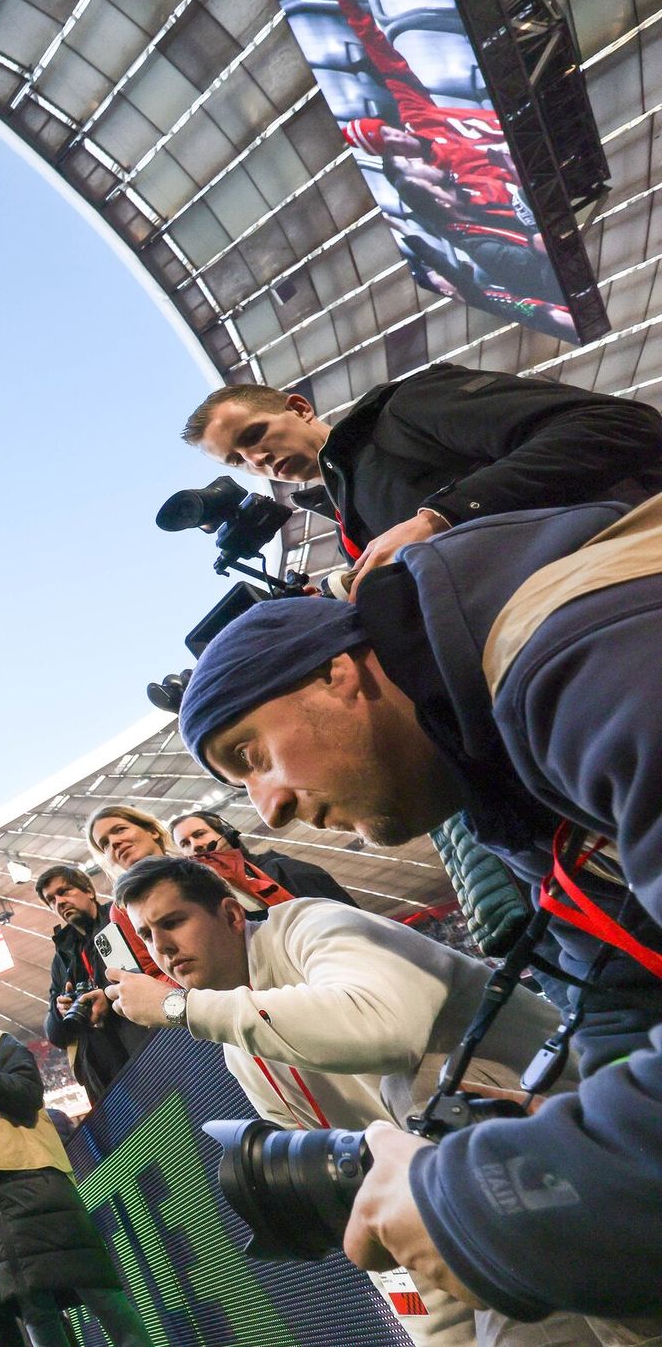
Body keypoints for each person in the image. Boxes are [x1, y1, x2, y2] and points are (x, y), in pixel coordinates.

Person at [172, 497, 662, 1332]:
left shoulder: (574, 660)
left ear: (339, 671)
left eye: (252, 757)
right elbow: (623, 1003)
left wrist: (484, 1198)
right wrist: (564, 1127)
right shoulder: (507, 798)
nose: (273, 808)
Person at [107, 856, 595, 1347]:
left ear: (233, 916)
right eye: (147, 935)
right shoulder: (237, 1043)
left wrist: (178, 1005)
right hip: (443, 1197)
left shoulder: (310, 923)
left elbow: (381, 1030)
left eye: (173, 922)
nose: (163, 947)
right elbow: (360, 1180)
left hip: (559, 1152)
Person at [178, 366, 662, 591]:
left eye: (255, 434)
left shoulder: (402, 410)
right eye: (238, 461)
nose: (256, 458)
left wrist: (439, 518)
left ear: (300, 408)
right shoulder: (351, 519)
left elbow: (617, 426)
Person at [0, 987, 150, 1347]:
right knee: (34, 1313)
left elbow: (27, 1095)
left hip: (34, 1184)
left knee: (99, 1293)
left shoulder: (0, 1044)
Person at [36, 864, 155, 1107]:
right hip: (107, 1080)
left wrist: (108, 999)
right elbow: (56, 1035)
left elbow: (154, 974)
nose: (59, 901)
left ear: (89, 891)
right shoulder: (62, 957)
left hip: (151, 1054)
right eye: (51, 899)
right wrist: (61, 1012)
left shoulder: (119, 919)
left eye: (65, 891)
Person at [169, 810, 356, 906]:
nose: (195, 845)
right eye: (185, 844)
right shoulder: (212, 898)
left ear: (226, 833)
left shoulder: (285, 869)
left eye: (200, 834)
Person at [84, 805, 173, 877]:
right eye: (105, 844)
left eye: (120, 830)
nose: (113, 842)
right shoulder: (127, 898)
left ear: (152, 831)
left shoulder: (186, 871)